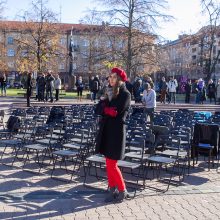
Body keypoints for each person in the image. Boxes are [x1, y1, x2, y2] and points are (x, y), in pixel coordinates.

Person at [95, 67, 131, 203]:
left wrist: (106, 108)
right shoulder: (108, 93)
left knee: (112, 164)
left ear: (120, 80)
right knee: (108, 163)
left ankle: (122, 190)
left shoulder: (125, 94)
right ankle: (112, 190)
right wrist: (105, 107)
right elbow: (99, 110)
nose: (110, 79)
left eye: (113, 77)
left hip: (116, 133)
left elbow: (116, 112)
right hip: (107, 131)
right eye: (110, 77)